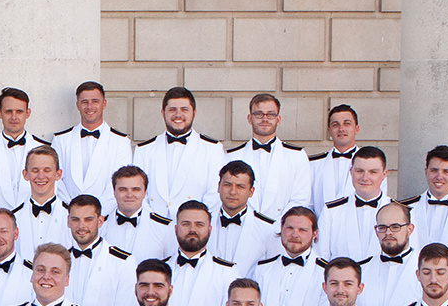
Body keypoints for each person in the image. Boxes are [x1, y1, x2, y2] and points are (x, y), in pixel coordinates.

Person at [132, 87, 226, 215]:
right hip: (153, 228)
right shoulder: (144, 150)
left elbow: (215, 194)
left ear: (194, 112)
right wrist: (154, 223)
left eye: (184, 110)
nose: (178, 115)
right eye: (172, 110)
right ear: (163, 112)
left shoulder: (212, 149)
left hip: (194, 228)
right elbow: (137, 193)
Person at [223, 93, 311, 219]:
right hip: (243, 229)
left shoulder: (296, 156)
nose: (265, 119)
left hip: (279, 232)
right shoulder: (232, 156)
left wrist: (277, 227)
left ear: (278, 119)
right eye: (258, 114)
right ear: (249, 118)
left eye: (270, 114)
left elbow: (300, 200)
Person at [248, 207, 325, 306]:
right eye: (290, 228)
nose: (295, 234)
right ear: (281, 229)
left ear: (315, 234)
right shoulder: (262, 269)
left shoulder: (325, 273)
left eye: (302, 230)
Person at [50, 81, 135, 202]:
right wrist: (71, 210)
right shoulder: (60, 140)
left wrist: (97, 214)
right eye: (84, 102)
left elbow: (121, 183)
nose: (90, 107)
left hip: (104, 216)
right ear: (77, 105)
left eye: (95, 101)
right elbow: (56, 179)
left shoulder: (120, 142)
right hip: (68, 215)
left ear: (104, 104)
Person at [166, 200, 241, 306]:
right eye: (186, 224)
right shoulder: (161, 269)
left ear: (209, 230)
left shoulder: (227, 272)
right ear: (176, 229)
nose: (192, 230)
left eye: (199, 224)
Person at [60, 195, 136, 306]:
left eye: (88, 219)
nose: (81, 226)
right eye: (75, 219)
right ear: (68, 221)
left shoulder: (123, 262)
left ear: (100, 221)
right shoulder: (59, 261)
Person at [318, 145, 393, 264]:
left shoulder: (402, 212)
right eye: (359, 171)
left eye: (373, 172)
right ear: (351, 172)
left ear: (384, 174)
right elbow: (321, 259)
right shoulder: (331, 211)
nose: (365, 178)